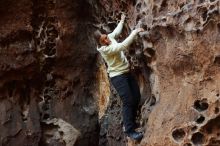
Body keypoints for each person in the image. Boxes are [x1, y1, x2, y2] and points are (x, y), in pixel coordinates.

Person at [96, 13, 144, 141]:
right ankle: (129, 131)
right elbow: (122, 46)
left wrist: (122, 21)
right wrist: (134, 33)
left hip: (126, 73)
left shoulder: (109, 37)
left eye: (106, 37)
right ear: (100, 44)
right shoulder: (105, 50)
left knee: (136, 97)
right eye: (104, 41)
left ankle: (133, 123)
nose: (107, 40)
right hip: (118, 77)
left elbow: (115, 33)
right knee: (128, 101)